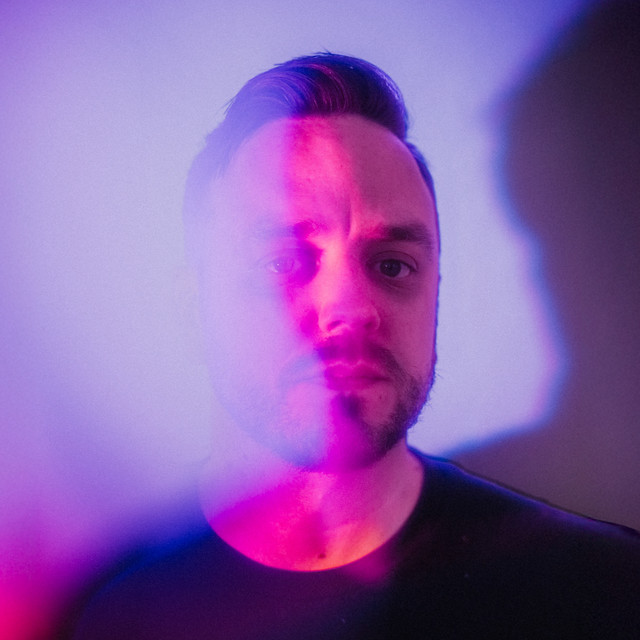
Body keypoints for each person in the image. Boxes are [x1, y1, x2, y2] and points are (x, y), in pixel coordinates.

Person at [66, 53, 640, 639]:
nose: (350, 309)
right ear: (194, 305)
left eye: (392, 265)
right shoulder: (114, 619)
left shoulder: (600, 593)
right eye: (282, 262)